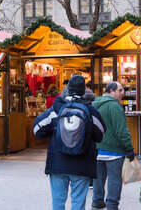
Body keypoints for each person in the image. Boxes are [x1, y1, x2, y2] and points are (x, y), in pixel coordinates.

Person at [33, 74, 106, 210]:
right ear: (84, 91)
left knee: (58, 202)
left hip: (57, 164)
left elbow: (37, 130)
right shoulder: (90, 111)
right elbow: (101, 135)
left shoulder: (56, 109)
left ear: (67, 88)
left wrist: (54, 131)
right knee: (78, 203)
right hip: (82, 165)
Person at [91, 81, 134, 210]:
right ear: (111, 91)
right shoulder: (115, 106)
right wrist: (129, 148)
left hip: (97, 149)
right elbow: (121, 130)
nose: (123, 93)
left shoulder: (94, 104)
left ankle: (97, 202)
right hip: (114, 150)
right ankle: (112, 205)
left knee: (98, 178)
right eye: (120, 90)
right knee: (114, 179)